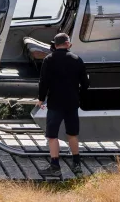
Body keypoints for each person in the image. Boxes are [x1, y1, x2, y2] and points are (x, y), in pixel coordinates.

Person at [36, 32, 90, 177]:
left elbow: (43, 82)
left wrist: (41, 98)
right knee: (72, 134)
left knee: (52, 135)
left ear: (54, 45)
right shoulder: (77, 59)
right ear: (68, 44)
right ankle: (77, 165)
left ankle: (55, 166)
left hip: (55, 103)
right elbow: (85, 83)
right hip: (72, 103)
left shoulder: (49, 60)